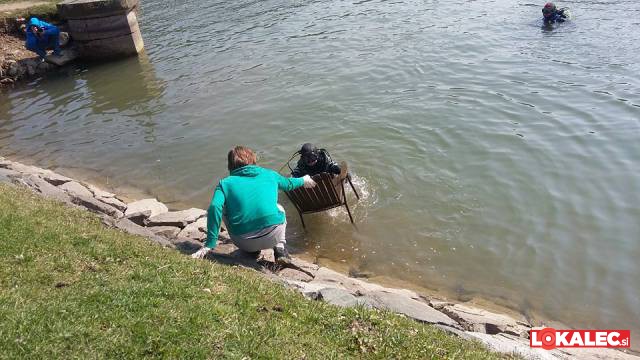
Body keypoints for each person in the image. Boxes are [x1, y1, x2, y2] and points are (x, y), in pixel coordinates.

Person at [192, 146, 316, 264]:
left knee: (224, 207)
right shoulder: (270, 174)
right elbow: (289, 184)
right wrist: (304, 180)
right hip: (273, 236)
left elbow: (214, 207)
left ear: (230, 165)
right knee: (279, 208)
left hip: (243, 241)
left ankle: (252, 250)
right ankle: (280, 247)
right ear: (253, 159)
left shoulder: (225, 183)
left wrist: (210, 244)